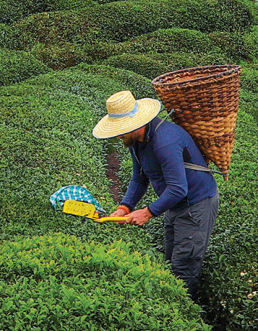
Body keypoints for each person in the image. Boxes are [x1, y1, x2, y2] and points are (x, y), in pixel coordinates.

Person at [91, 89, 219, 300]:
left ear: (136, 125)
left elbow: (178, 188)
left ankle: (185, 311)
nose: (118, 135)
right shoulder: (136, 142)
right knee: (170, 261)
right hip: (175, 204)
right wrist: (124, 207)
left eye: (121, 129)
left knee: (183, 267)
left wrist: (147, 212)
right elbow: (139, 178)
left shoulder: (165, 141)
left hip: (196, 204)